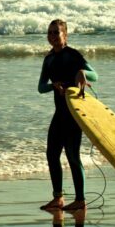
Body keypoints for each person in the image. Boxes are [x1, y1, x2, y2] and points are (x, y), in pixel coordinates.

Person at [37, 19, 97, 211]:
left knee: (72, 155)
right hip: (59, 114)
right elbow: (40, 87)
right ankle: (58, 198)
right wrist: (52, 86)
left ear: (65, 35)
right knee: (52, 154)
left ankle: (80, 200)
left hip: (74, 113)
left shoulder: (73, 55)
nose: (53, 36)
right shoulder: (48, 59)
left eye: (57, 32)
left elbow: (95, 75)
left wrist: (82, 72)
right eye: (50, 32)